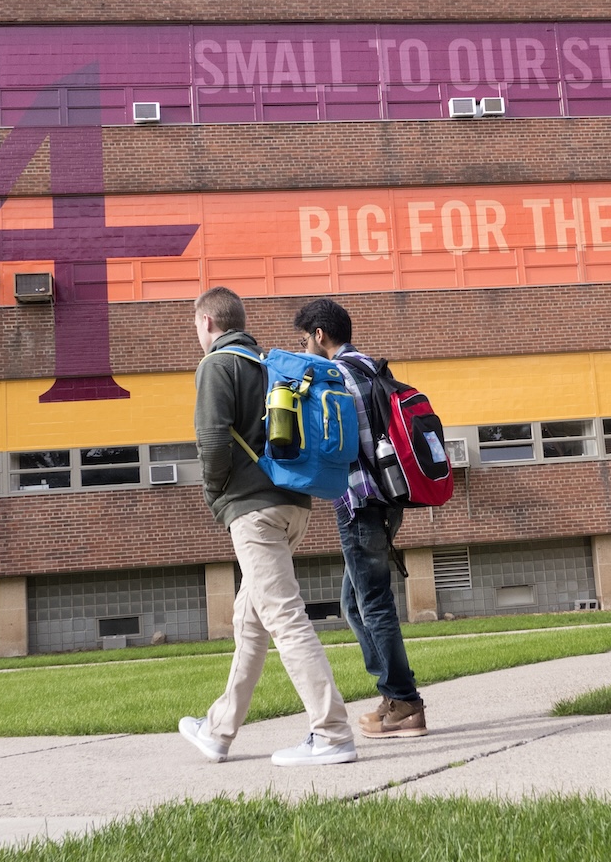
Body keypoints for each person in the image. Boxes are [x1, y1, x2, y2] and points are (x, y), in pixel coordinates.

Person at [178, 286, 357, 767]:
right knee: (249, 620)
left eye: (196, 325)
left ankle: (333, 732)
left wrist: (216, 495)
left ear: (209, 323)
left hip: (253, 511)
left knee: (283, 617)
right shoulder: (268, 364)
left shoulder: (218, 365)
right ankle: (218, 730)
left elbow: (213, 440)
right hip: (294, 505)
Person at [294, 297, 428, 739]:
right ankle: (394, 697)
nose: (304, 346)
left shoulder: (335, 375)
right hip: (391, 498)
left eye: (304, 338)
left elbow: (332, 444)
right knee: (356, 604)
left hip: (360, 502)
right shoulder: (374, 368)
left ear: (319, 335)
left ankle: (404, 702)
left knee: (374, 604)